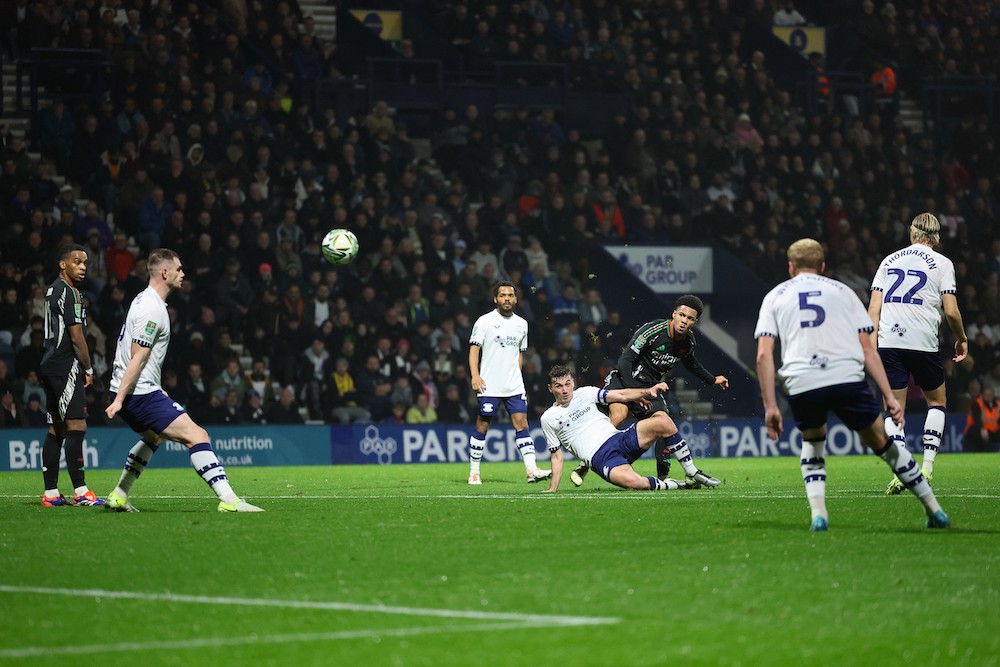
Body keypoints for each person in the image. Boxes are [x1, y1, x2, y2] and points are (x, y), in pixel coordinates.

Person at [755, 238, 949, 531]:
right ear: (822, 266)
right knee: (884, 446)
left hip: (802, 380)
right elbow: (868, 350)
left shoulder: (775, 296)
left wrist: (770, 405)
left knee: (813, 441)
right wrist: (890, 397)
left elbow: (763, 355)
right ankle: (934, 510)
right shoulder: (843, 292)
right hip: (845, 376)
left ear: (791, 267)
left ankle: (819, 515)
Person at [104, 248, 263, 512]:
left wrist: (152, 388)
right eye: (178, 269)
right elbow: (137, 357)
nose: (183, 274)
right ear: (164, 272)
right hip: (137, 394)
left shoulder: (144, 300)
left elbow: (138, 357)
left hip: (137, 390)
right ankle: (230, 501)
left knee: (154, 437)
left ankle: (119, 495)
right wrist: (120, 399)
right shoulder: (151, 309)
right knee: (198, 436)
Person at [570, 295, 728, 488]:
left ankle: (663, 477)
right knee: (618, 416)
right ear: (674, 314)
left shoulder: (688, 342)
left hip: (650, 387)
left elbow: (691, 364)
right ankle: (586, 462)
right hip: (622, 381)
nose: (684, 321)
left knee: (664, 422)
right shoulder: (652, 331)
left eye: (690, 318)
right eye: (681, 315)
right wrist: (637, 393)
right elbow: (624, 362)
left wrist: (712, 379)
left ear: (694, 322)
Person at [868, 213, 968, 495]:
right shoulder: (943, 263)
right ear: (936, 237)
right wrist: (961, 338)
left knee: (893, 408)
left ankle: (903, 469)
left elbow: (873, 310)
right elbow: (950, 311)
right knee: (936, 401)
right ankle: (927, 467)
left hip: (889, 341)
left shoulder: (888, 261)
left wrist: (871, 344)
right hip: (923, 341)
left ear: (912, 234)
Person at [540, 365, 683, 492]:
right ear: (550, 388)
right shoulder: (548, 418)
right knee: (636, 482)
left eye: (568, 383)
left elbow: (620, 394)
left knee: (662, 421)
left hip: (619, 439)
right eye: (558, 386)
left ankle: (692, 472)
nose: (565, 390)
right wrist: (552, 488)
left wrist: (646, 391)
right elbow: (557, 456)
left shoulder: (585, 393)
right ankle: (675, 485)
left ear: (573, 382)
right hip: (601, 458)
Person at [467, 280, 551, 485]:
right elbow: (474, 350)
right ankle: (474, 472)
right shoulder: (484, 321)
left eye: (510, 295)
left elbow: (519, 355)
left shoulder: (522, 324)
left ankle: (531, 470)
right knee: (483, 424)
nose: (507, 299)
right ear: (495, 298)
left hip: (513, 385)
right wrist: (475, 375)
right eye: (502, 295)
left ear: (516, 298)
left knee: (522, 424)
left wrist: (518, 377)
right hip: (489, 384)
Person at [39, 244, 105, 507]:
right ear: (62, 264)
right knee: (77, 425)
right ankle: (81, 492)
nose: (82, 267)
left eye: (85, 263)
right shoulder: (72, 293)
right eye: (77, 262)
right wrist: (88, 367)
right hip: (65, 365)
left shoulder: (51, 290)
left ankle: (51, 494)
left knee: (56, 427)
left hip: (49, 364)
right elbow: (76, 336)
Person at [963, 384, 1000, 452]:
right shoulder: (977, 404)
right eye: (987, 394)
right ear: (983, 394)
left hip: (991, 432)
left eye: (990, 395)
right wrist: (982, 429)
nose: (989, 397)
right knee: (977, 434)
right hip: (975, 431)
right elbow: (976, 419)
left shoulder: (997, 405)